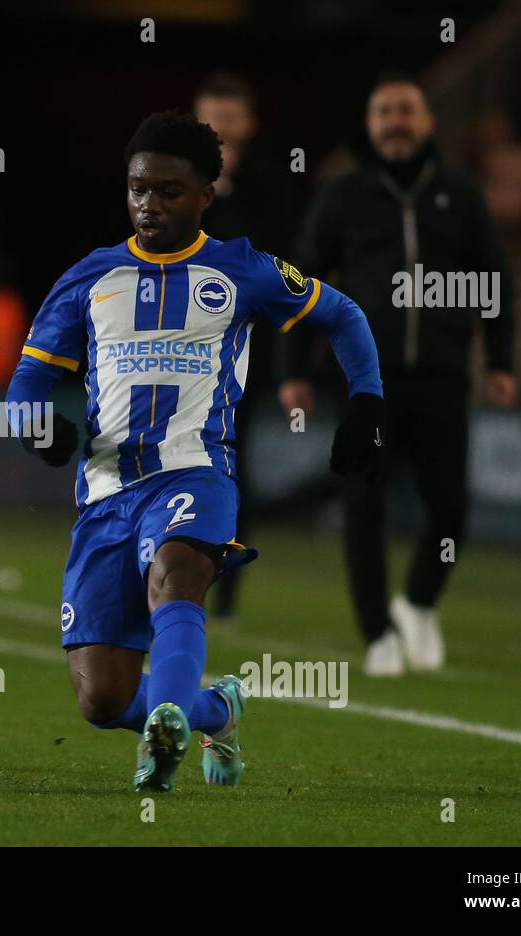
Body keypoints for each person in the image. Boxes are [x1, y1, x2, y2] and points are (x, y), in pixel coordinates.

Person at [5, 112, 384, 792]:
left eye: (169, 191)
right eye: (138, 189)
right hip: (104, 493)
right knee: (102, 700)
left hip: (196, 470)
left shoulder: (243, 269)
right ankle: (216, 709)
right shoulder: (90, 277)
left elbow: (344, 316)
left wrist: (366, 402)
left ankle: (166, 731)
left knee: (176, 577)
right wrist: (37, 427)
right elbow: (27, 382)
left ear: (206, 194)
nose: (149, 204)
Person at [281, 72, 516, 677]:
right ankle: (378, 634)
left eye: (406, 110)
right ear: (370, 123)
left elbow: (495, 277)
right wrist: (293, 368)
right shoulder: (344, 196)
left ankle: (417, 602)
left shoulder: (461, 195)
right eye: (384, 111)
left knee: (452, 507)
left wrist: (503, 359)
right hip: (365, 384)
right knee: (364, 508)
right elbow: (300, 282)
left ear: (428, 121)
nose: (396, 122)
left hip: (441, 377)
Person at [193, 72, 297, 624]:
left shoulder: (270, 190)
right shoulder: (173, 186)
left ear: (249, 126)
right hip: (173, 356)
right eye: (211, 120)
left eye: (230, 121)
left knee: (230, 469)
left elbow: (279, 273)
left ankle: (224, 591)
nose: (221, 131)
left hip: (238, 358)